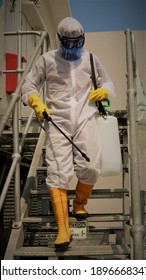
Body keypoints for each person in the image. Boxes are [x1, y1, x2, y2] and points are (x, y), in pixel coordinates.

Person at [22, 17, 116, 250]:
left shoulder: (91, 59)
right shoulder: (47, 60)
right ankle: (63, 229)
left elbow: (110, 84)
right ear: (60, 40)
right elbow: (29, 85)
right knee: (57, 171)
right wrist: (34, 100)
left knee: (91, 167)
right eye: (69, 43)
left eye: (77, 42)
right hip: (57, 121)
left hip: (85, 118)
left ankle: (80, 203)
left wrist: (104, 91)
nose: (73, 47)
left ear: (82, 39)